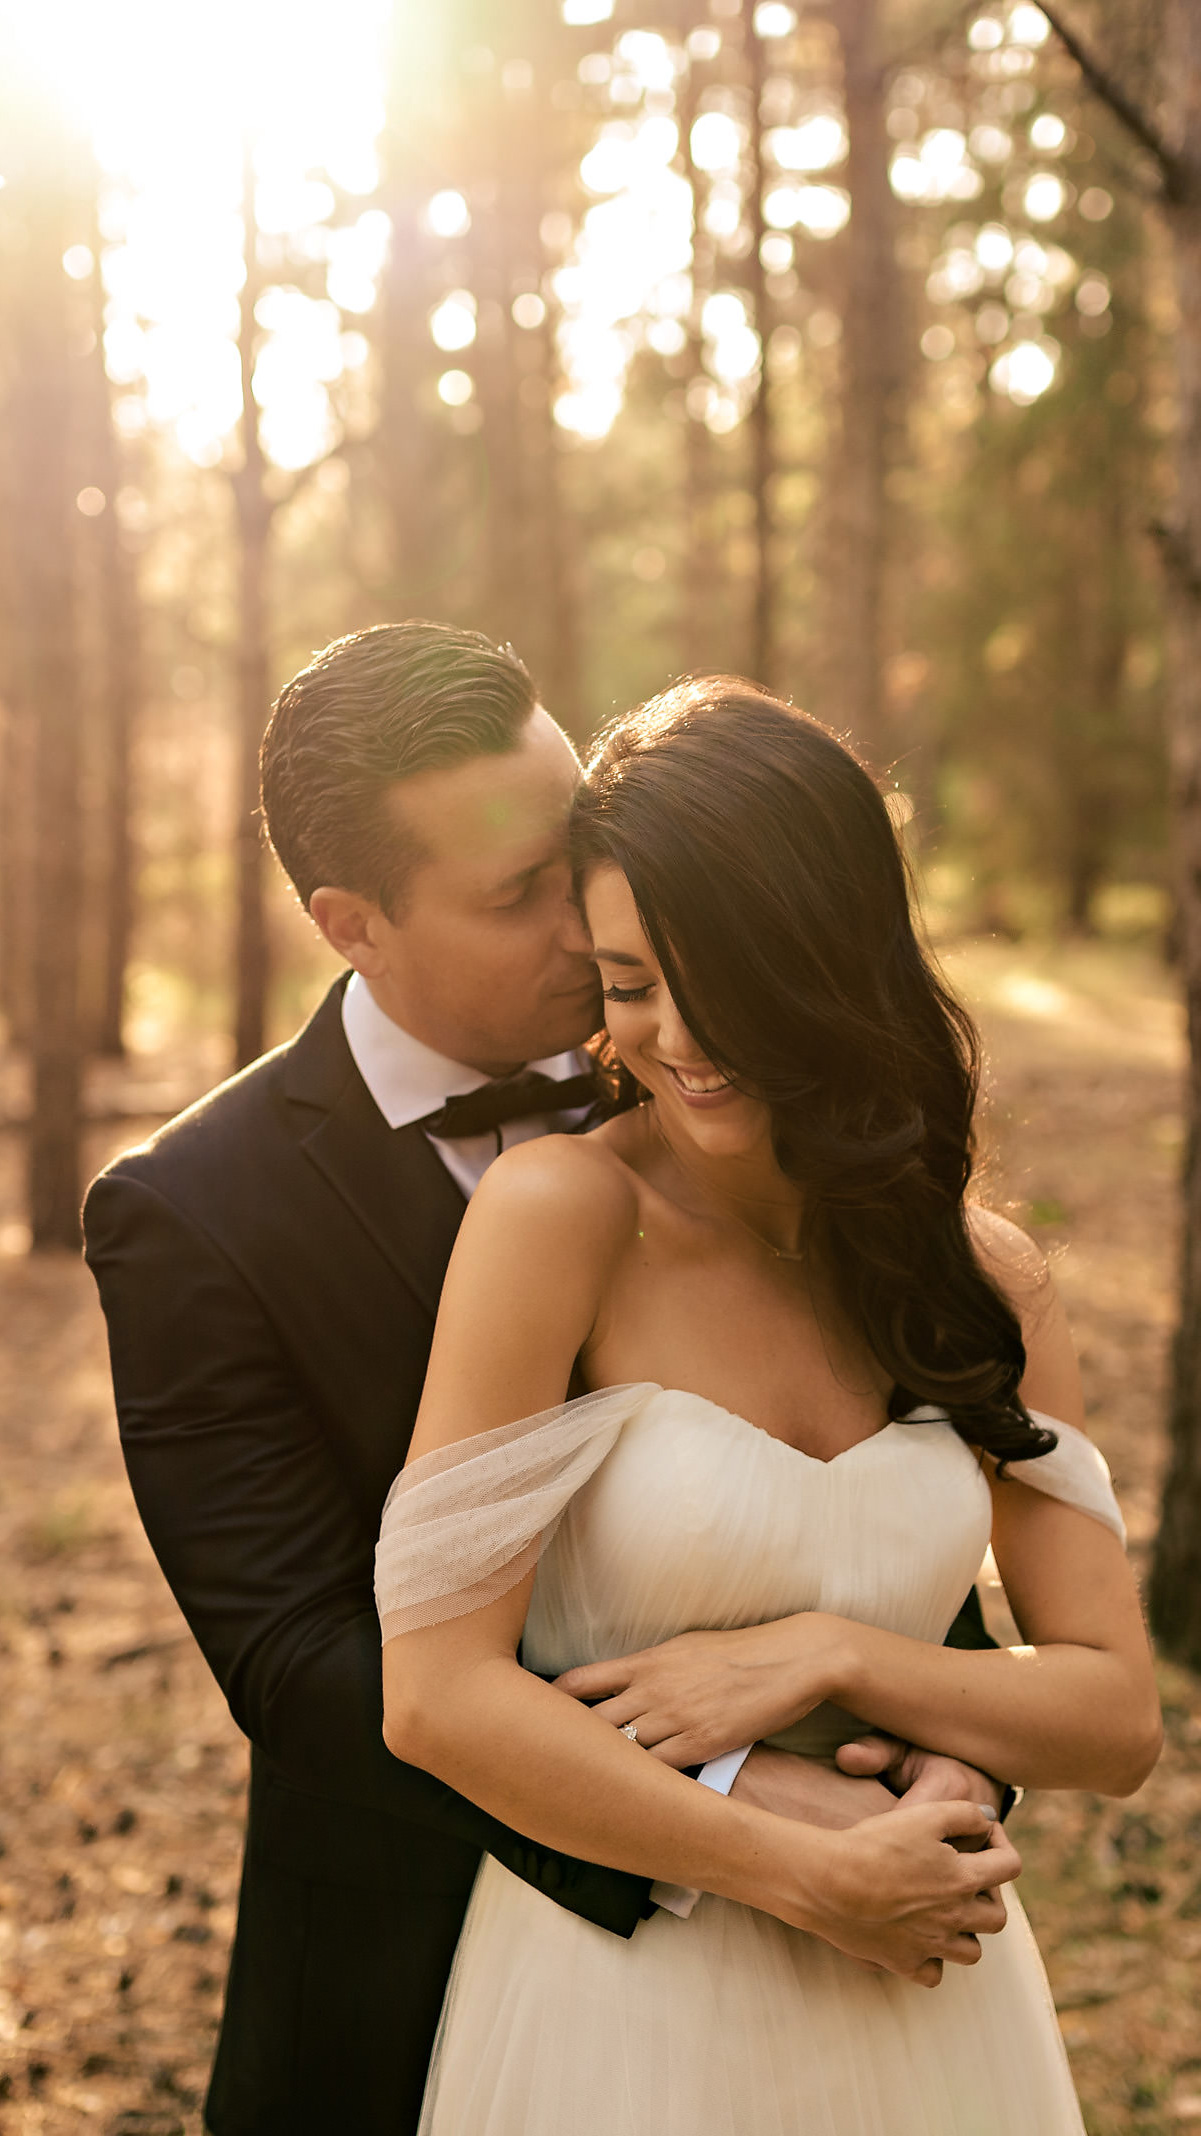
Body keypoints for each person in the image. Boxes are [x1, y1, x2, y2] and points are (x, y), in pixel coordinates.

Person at [84, 626, 1012, 2136]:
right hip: (410, 1958)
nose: (590, 928)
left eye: (574, 840)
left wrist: (929, 1769)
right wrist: (725, 1800)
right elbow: (304, 1659)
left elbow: (859, 1456)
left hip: (833, 1955)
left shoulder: (723, 1071)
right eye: (519, 897)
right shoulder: (195, 1215)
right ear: (350, 923)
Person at [377, 677, 1163, 2135]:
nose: (678, 1035)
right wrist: (796, 1869)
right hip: (625, 2021)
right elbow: (436, 1696)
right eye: (627, 984)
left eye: (716, 972)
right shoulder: (559, 1217)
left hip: (938, 2014)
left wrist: (828, 1657)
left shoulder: (979, 1276)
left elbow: (1112, 1713)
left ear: (826, 952)